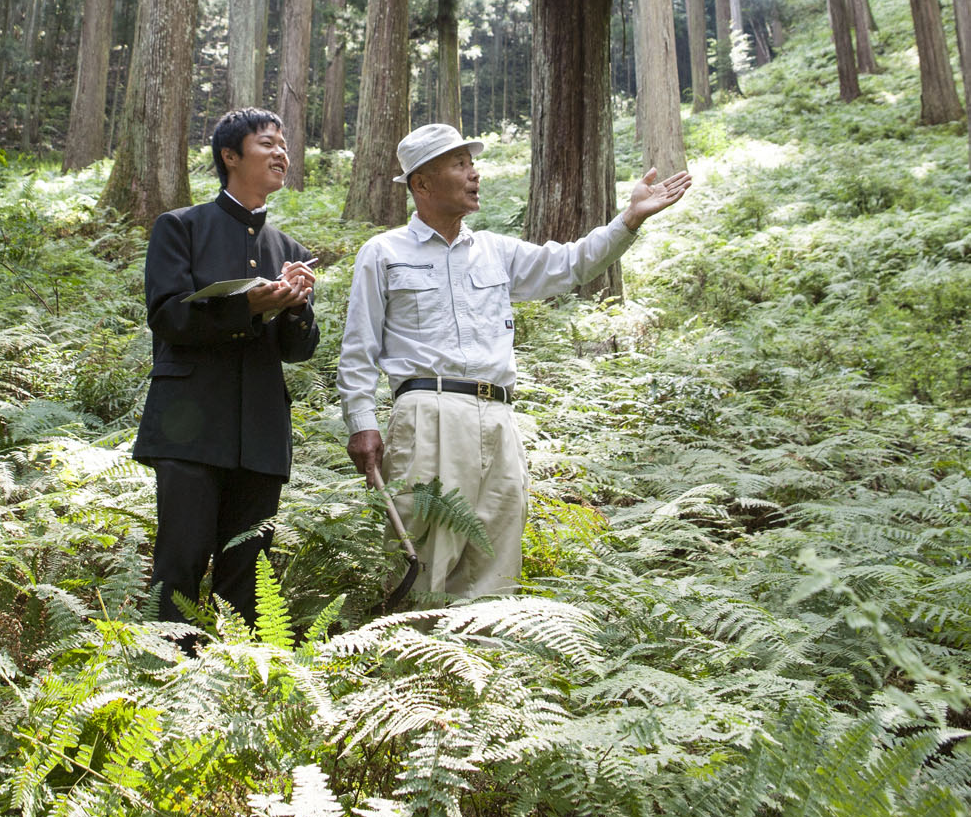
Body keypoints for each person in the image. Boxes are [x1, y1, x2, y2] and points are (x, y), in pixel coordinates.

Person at [338, 123, 691, 600]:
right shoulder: (383, 253)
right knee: (424, 562)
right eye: (459, 164)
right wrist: (362, 423)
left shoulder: (496, 252)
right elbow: (358, 348)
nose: (474, 174)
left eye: (472, 163)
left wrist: (629, 219)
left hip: (499, 420)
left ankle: (482, 665)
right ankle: (413, 666)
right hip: (427, 415)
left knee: (495, 560)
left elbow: (573, 265)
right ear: (421, 183)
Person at [133, 107, 318, 631]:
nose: (282, 153)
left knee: (251, 572)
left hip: (259, 432)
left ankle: (240, 688)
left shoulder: (290, 252)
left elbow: (298, 351)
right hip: (187, 427)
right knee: (180, 562)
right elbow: (166, 315)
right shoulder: (180, 227)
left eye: (284, 144)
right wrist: (247, 308)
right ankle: (163, 677)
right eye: (267, 143)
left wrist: (297, 307)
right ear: (230, 156)